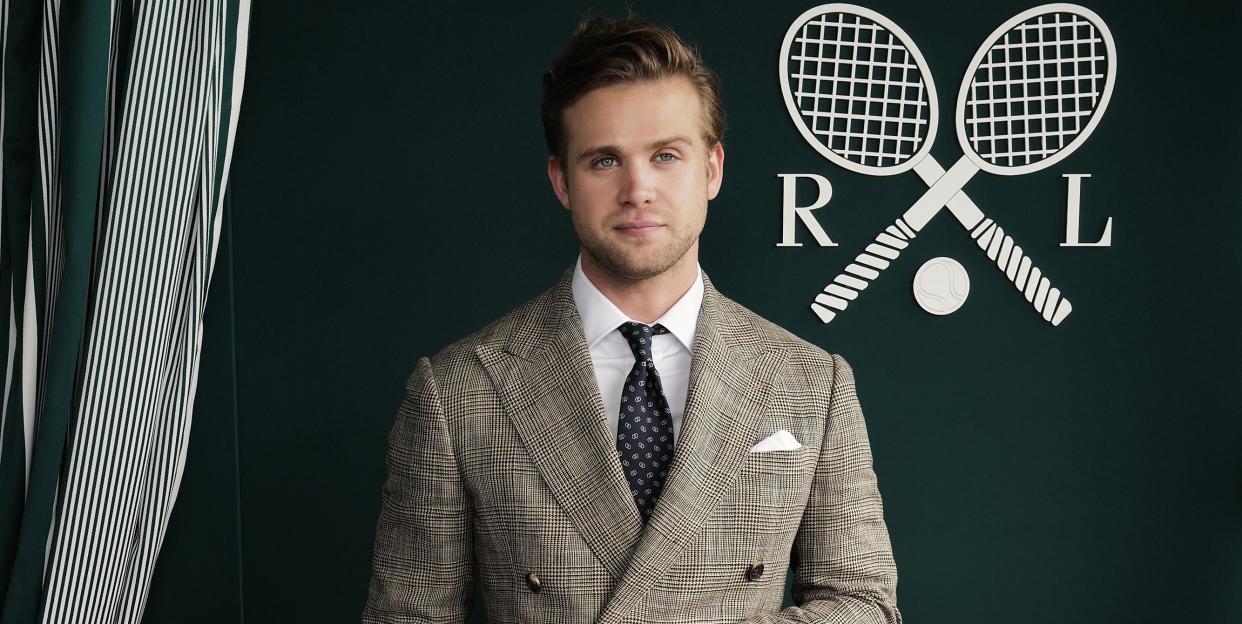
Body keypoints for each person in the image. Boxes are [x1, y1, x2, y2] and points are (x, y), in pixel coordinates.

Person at [362, 15, 901, 624]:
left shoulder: (811, 383)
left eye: (666, 155)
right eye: (604, 161)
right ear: (562, 181)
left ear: (712, 170)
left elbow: (864, 604)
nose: (638, 189)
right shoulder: (457, 390)